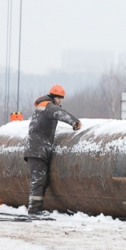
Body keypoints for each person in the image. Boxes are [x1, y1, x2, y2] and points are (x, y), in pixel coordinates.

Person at [25, 85, 81, 216]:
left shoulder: (43, 106)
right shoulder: (48, 106)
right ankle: (34, 210)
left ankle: (36, 209)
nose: (60, 101)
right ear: (52, 96)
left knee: (41, 180)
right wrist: (74, 122)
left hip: (37, 148)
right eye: (58, 98)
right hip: (37, 148)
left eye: (62, 98)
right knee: (38, 180)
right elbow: (59, 113)